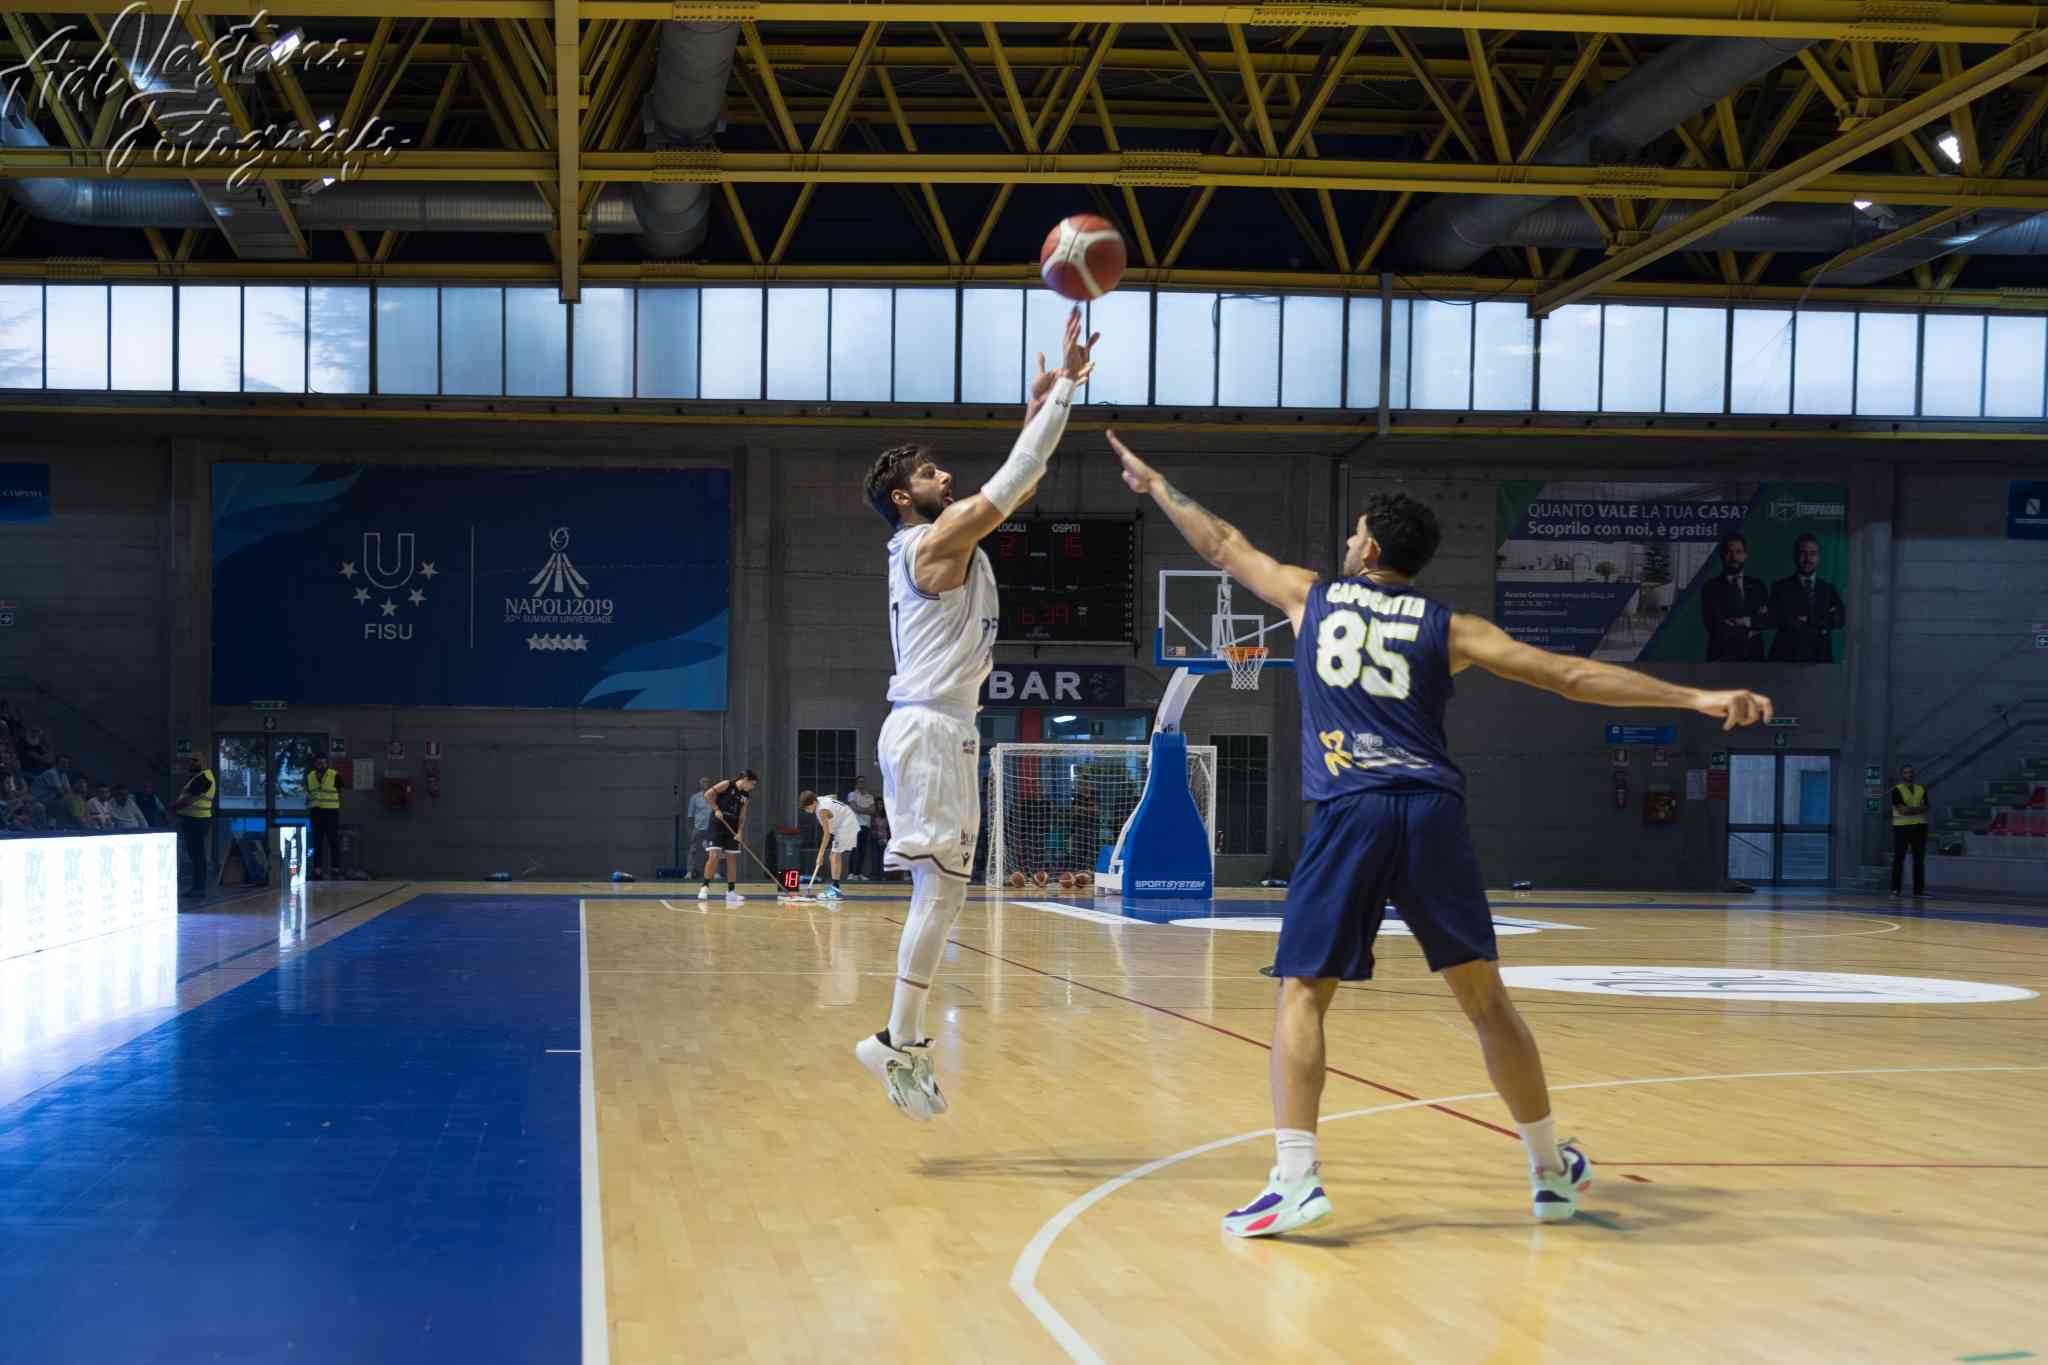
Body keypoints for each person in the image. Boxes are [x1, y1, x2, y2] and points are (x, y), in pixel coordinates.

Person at [1109, 429, 1773, 1236]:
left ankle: (1294, 1178)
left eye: (1355, 531)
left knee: (1302, 995)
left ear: (1371, 547)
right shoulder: (1451, 627)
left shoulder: (1309, 596)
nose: (1347, 540)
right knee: (1487, 1002)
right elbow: (1567, 675)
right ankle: (1548, 1171)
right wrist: (1691, 699)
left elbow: (1221, 542)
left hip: (1352, 809)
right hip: (1429, 810)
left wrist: (1156, 482)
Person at [852, 304, 1096, 1121]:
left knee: (946, 893)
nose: (944, 477)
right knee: (941, 893)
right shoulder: (931, 543)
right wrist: (1062, 392)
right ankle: (895, 1037)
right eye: (929, 474)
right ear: (902, 496)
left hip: (939, 727)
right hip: (929, 726)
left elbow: (1010, 478)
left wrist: (1038, 407)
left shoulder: (931, 542)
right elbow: (1017, 482)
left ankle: (901, 1037)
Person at [1767, 533, 1846, 663]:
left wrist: (1808, 619)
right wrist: (1823, 618)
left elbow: (1840, 619)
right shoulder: (1780, 587)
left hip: (1821, 657)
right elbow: (1779, 619)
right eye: (1803, 553)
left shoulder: (1829, 589)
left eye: (1813, 553)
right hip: (1786, 657)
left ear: (1818, 558)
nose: (1808, 558)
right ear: (1794, 556)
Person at [1700, 532, 1772, 661]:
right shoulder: (1711, 588)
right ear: (1722, 556)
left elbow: (1768, 620)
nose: (1734, 557)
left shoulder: (1758, 586)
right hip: (1721, 658)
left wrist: (1745, 621)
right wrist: (1751, 629)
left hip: (1754, 658)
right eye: (1729, 552)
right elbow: (1717, 627)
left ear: (1745, 555)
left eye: (1738, 552)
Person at [699, 770, 758, 904]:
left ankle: (731, 892)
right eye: (752, 784)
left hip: (733, 827)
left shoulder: (745, 795)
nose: (752, 787)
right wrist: (716, 809)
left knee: (732, 859)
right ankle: (705, 886)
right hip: (718, 824)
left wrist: (740, 832)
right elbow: (708, 795)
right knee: (714, 856)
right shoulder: (727, 784)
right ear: (745, 779)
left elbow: (742, 815)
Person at [170, 752, 217, 900]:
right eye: (191, 760)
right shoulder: (199, 777)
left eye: (195, 760)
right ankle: (197, 888)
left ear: (204, 762)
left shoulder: (203, 778)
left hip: (196, 821)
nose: (192, 763)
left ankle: (199, 889)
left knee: (197, 856)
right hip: (195, 821)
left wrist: (171, 809)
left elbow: (188, 800)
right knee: (197, 856)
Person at [799, 789, 858, 900]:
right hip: (846, 822)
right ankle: (835, 887)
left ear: (814, 802)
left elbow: (826, 835)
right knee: (834, 856)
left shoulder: (821, 811)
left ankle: (836, 891)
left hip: (846, 825)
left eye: (807, 807)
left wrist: (820, 855)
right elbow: (834, 796)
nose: (807, 811)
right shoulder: (820, 799)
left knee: (834, 856)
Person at [1890, 763, 1930, 897]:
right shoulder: (1897, 790)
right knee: (1899, 858)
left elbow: (1926, 807)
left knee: (1919, 860)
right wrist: (1917, 809)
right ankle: (1895, 889)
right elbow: (1902, 810)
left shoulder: (1920, 789)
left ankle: (1918, 891)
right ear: (1902, 775)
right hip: (1902, 828)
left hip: (1919, 826)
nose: (1909, 774)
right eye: (1906, 772)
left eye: (1911, 772)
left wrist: (1910, 810)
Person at [307, 754, 342, 879]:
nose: (321, 765)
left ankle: (335, 869)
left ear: (327, 764)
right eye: (319, 763)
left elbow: (340, 791)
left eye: (323, 763)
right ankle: (317, 870)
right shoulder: (310, 777)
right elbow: (309, 793)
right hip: (316, 813)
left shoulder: (334, 775)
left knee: (333, 842)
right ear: (315, 764)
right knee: (317, 842)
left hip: (331, 812)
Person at [844, 776, 878, 882]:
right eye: (860, 782)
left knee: (863, 850)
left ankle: (858, 873)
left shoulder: (869, 797)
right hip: (855, 825)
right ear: (856, 784)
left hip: (866, 826)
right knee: (854, 849)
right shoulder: (852, 795)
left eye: (863, 782)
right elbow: (854, 808)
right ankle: (851, 873)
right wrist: (865, 810)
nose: (862, 784)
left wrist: (861, 809)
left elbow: (873, 810)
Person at [687, 777, 714, 880]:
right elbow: (690, 816)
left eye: (707, 782)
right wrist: (691, 830)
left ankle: (713, 873)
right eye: (703, 782)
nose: (705, 783)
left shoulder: (714, 797)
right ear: (700, 784)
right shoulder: (694, 798)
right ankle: (689, 871)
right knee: (693, 850)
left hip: (711, 828)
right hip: (698, 828)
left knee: (713, 851)